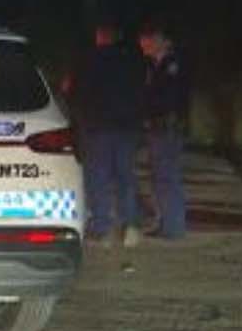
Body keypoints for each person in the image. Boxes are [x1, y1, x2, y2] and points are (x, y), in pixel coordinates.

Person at [71, 22, 146, 244]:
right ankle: (130, 225)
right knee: (125, 176)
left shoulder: (90, 61)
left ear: (100, 36)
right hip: (127, 128)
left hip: (98, 127)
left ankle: (102, 227)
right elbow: (143, 91)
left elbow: (77, 92)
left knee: (98, 178)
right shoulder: (134, 61)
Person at [139, 23, 190, 238]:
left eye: (145, 44)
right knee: (161, 176)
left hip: (166, 126)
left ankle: (173, 226)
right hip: (160, 125)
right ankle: (167, 222)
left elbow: (169, 97)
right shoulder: (155, 65)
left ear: (157, 41)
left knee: (167, 176)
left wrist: (149, 109)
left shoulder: (172, 64)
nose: (143, 48)